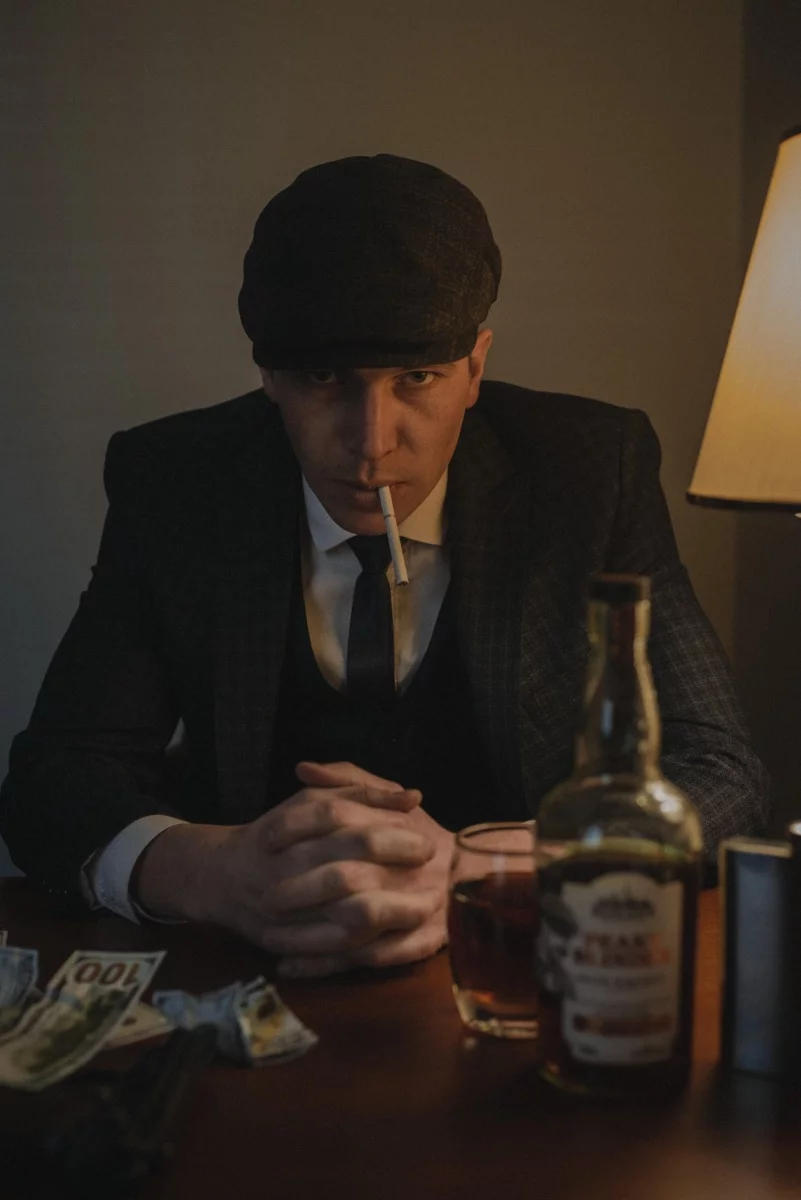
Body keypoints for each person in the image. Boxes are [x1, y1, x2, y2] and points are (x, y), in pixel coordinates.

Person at [0, 154, 771, 978]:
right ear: (268, 376)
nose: (370, 443)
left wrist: (496, 866)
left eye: (417, 377)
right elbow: (56, 778)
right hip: (247, 972)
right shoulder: (174, 483)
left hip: (512, 965)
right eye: (322, 378)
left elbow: (718, 768)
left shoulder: (590, 471)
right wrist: (214, 873)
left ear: (474, 369)